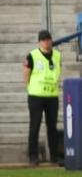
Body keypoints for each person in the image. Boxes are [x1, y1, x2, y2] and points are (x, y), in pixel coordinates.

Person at [24, 30, 64, 165]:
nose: (46, 42)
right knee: (34, 126)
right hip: (36, 95)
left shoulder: (57, 56)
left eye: (48, 39)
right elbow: (26, 73)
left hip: (52, 95)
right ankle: (33, 156)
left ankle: (54, 155)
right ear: (39, 42)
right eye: (43, 40)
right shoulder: (32, 56)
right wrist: (29, 87)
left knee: (52, 126)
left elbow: (58, 71)